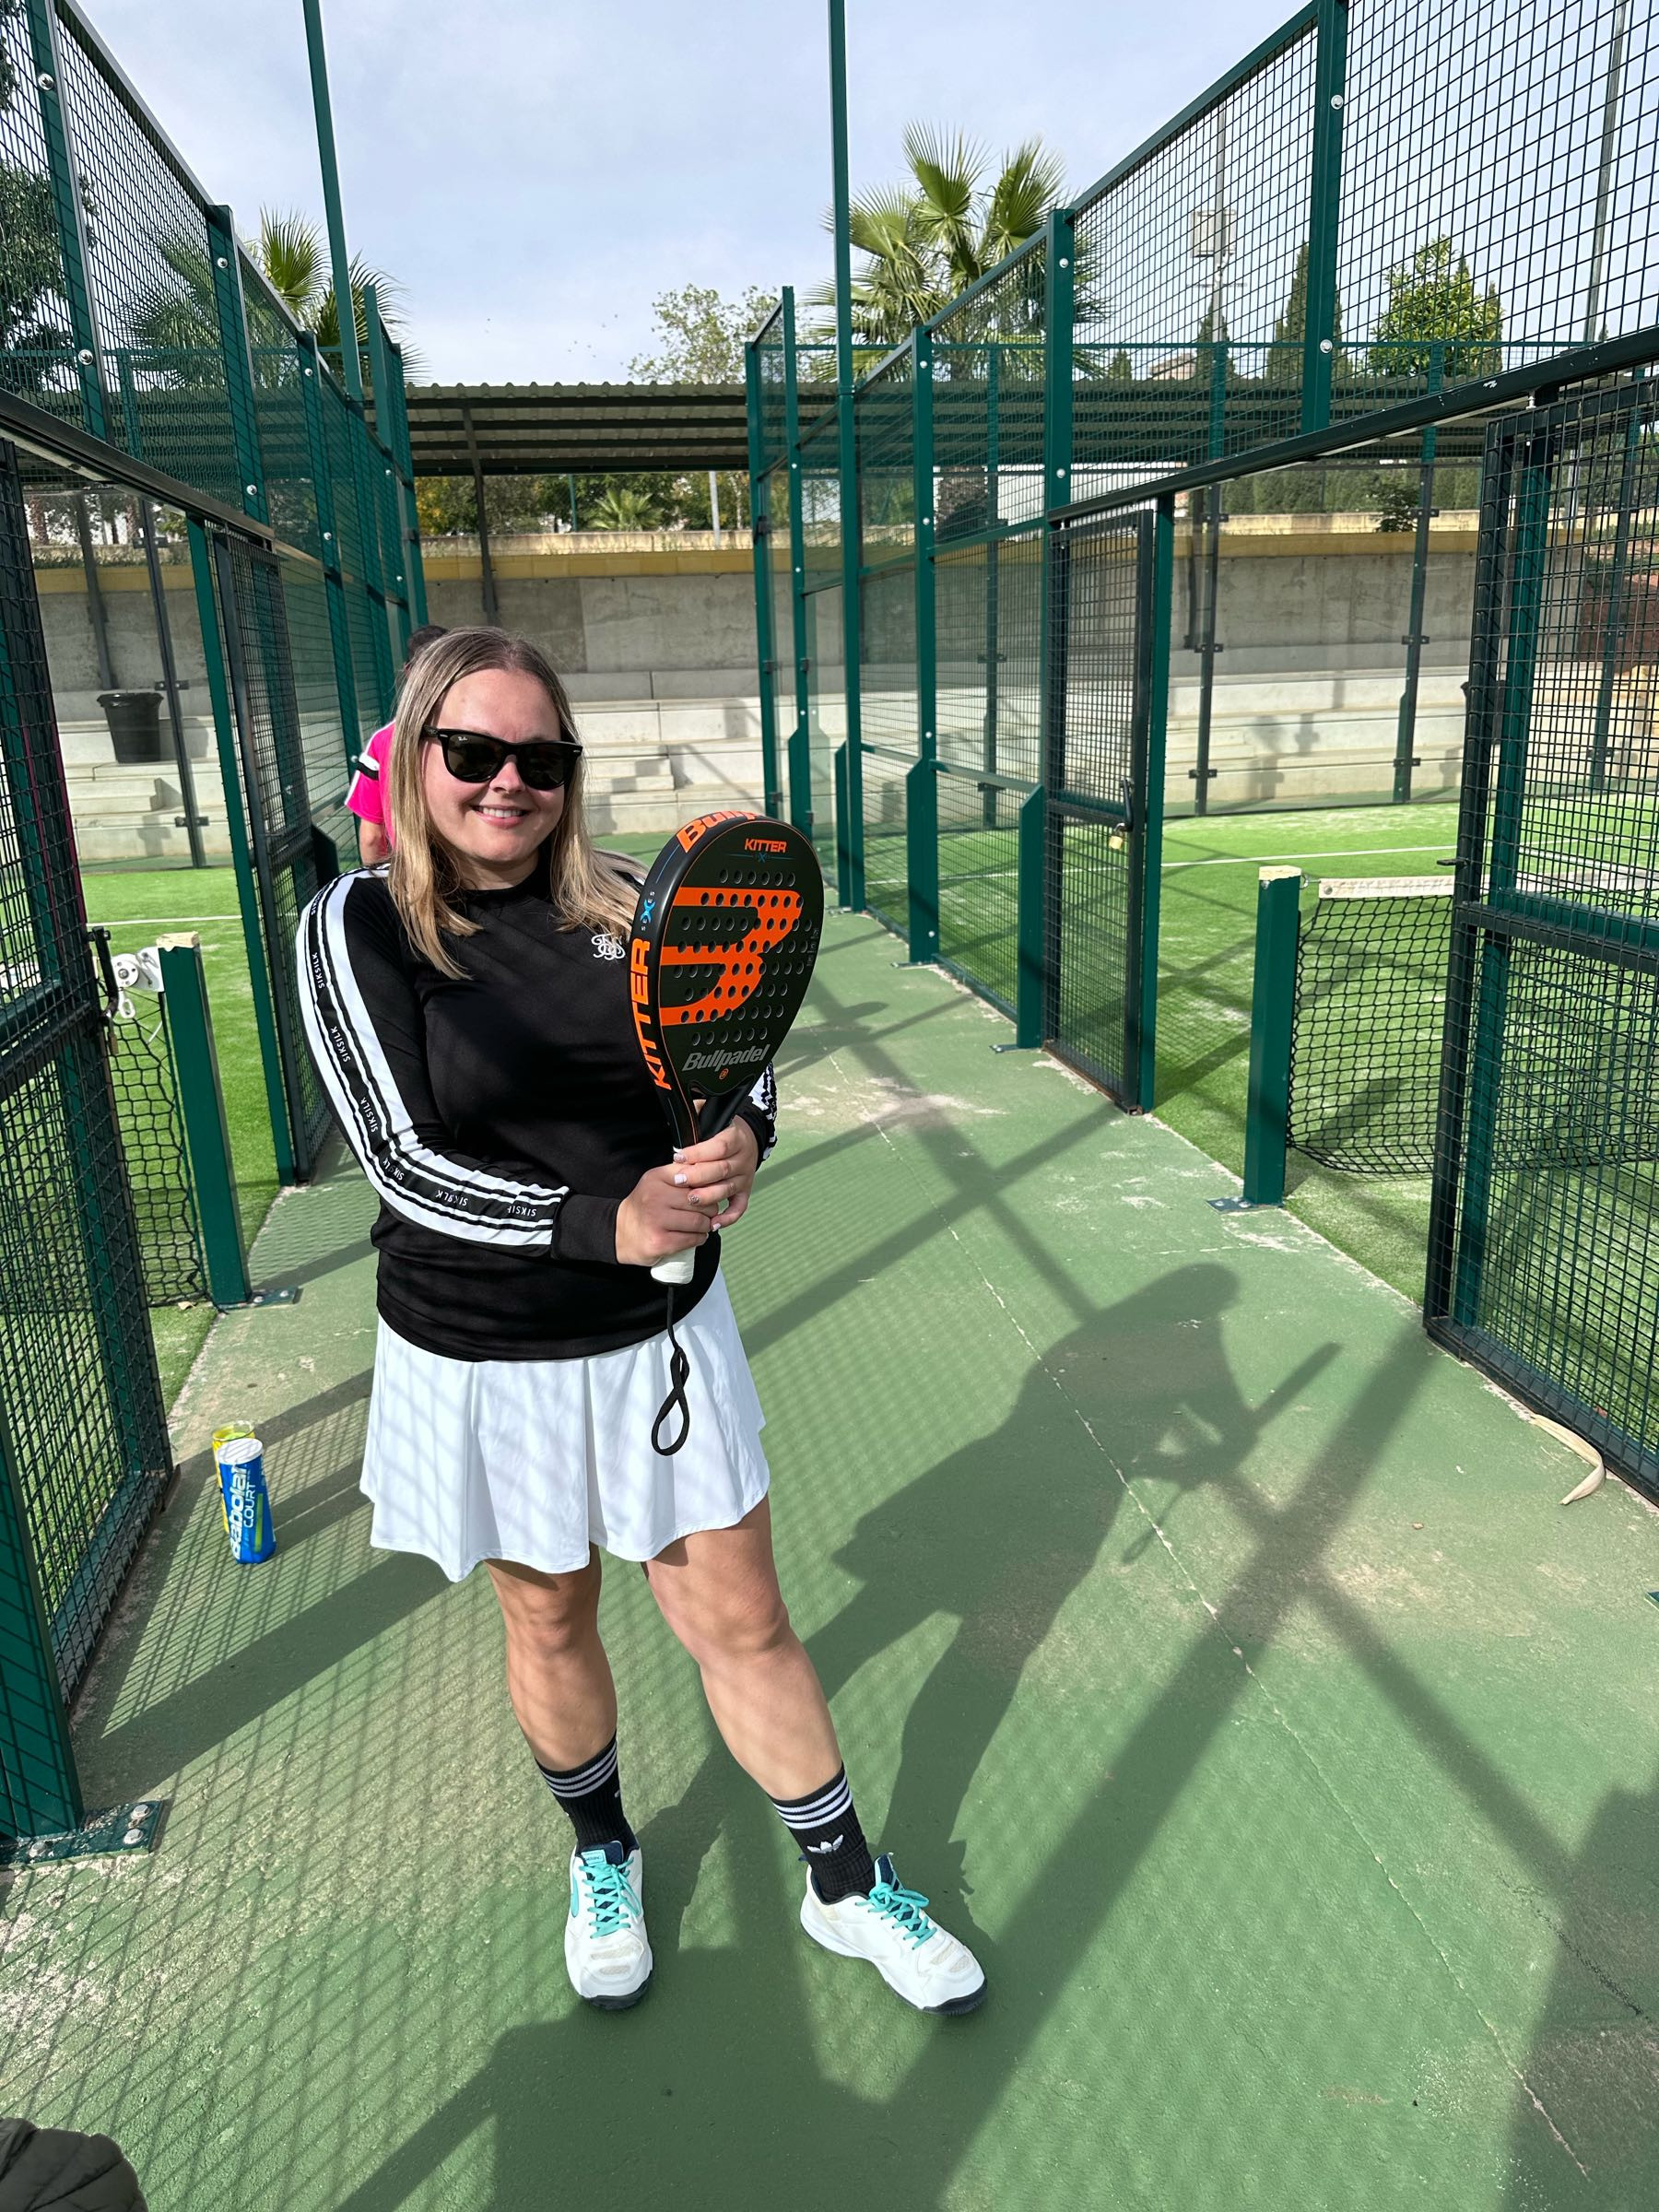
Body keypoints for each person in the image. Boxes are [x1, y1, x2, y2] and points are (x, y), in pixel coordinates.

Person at [296, 626, 984, 2018]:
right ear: (417, 756)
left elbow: (741, 1062)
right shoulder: (357, 925)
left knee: (742, 1615)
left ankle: (845, 1882)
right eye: (472, 752)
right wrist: (598, 1223)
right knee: (550, 1614)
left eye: (540, 757)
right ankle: (603, 1852)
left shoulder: (630, 902)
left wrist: (742, 1140)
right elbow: (400, 1158)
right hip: (481, 1348)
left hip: (660, 1340)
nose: (508, 782)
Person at [346, 622, 449, 866]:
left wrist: (379, 880)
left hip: (412, 874)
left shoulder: (382, 741)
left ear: (408, 671)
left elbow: (372, 837)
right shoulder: (481, 734)